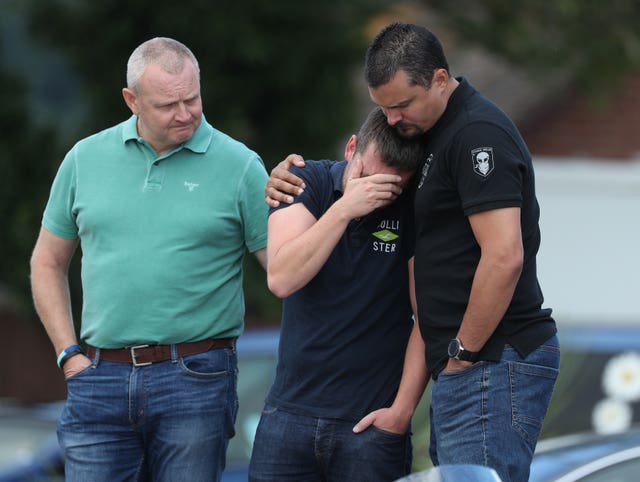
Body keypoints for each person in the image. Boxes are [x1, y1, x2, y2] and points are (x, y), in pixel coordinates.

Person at [266, 22, 560, 482]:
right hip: (465, 367)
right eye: (382, 108)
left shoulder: (476, 133)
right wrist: (293, 180)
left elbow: (504, 257)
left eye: (402, 104)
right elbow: (284, 272)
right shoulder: (431, 135)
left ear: (440, 80)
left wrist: (462, 350)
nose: (393, 118)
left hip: (490, 360)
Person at [29, 37, 268, 482]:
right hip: (97, 378)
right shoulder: (84, 159)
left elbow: (285, 267)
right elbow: (46, 261)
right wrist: (68, 355)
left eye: (192, 99)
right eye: (167, 105)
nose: (185, 114)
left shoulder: (241, 166)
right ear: (131, 100)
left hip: (195, 378)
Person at [249, 107, 429, 482]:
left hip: (368, 428)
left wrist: (401, 412)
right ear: (351, 149)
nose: (373, 194)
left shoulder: (413, 208)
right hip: (289, 417)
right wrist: (345, 208)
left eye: (389, 187)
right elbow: (282, 277)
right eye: (366, 176)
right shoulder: (304, 179)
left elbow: (426, 317)